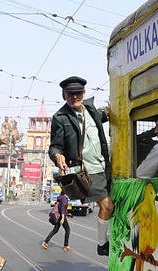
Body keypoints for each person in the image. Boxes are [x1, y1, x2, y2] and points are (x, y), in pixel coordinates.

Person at [49, 76, 113, 256]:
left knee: (113, 206)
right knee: (107, 206)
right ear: (64, 95)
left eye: (78, 93)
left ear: (84, 93)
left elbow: (105, 116)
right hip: (87, 172)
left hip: (105, 166)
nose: (75, 97)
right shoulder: (60, 118)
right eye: (70, 94)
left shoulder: (92, 110)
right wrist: (58, 155)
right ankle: (102, 244)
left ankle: (108, 238)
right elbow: (54, 146)